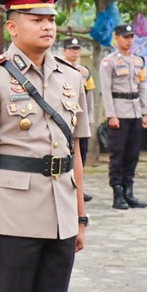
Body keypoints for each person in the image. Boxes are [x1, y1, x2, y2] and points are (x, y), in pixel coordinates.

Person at [0, 0, 89, 292]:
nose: (48, 26)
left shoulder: (73, 77)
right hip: (14, 218)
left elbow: (74, 152)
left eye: (51, 19)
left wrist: (80, 217)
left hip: (62, 214)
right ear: (13, 27)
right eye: (37, 19)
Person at [99, 25, 147, 210]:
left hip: (135, 111)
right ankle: (117, 193)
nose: (129, 40)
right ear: (117, 38)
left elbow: (142, 87)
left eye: (131, 37)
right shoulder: (109, 61)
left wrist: (145, 112)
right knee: (118, 154)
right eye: (125, 37)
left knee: (133, 154)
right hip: (119, 113)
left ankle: (129, 192)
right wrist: (111, 115)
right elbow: (105, 90)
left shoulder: (138, 61)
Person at [60, 37, 96, 202]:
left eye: (77, 49)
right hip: (64, 118)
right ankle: (66, 186)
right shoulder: (58, 69)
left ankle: (79, 186)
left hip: (80, 118)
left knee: (82, 152)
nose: (74, 52)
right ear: (64, 51)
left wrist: (89, 118)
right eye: (71, 49)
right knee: (65, 153)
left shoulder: (84, 72)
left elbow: (89, 97)